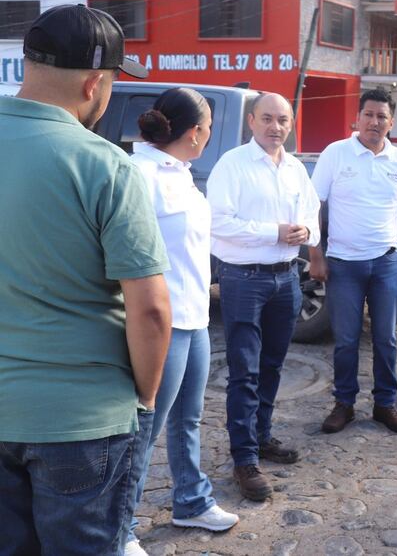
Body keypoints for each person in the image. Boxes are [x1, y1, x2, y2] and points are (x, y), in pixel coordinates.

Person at [0, 4, 172, 555]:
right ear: (95, 83)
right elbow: (149, 309)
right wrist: (144, 396)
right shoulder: (105, 165)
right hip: (83, 418)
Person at [125, 89, 240, 554]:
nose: (210, 133)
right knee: (144, 430)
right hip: (161, 323)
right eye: (209, 124)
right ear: (195, 133)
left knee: (189, 419)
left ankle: (191, 502)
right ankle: (122, 526)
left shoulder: (183, 175)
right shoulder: (140, 174)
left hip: (194, 318)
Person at [207, 93, 320, 501]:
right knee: (245, 369)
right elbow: (218, 222)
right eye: (268, 119)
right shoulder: (232, 165)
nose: (276, 127)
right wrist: (272, 232)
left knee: (273, 365)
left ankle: (263, 437)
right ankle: (244, 459)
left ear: (291, 124)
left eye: (283, 120)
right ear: (251, 121)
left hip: (287, 279)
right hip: (244, 279)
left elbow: (312, 217)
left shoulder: (294, 169)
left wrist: (307, 232)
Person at [310, 88, 397, 435]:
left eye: (382, 116)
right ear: (357, 118)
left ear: (391, 122)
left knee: (386, 338)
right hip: (343, 263)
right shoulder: (335, 154)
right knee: (345, 339)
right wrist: (317, 256)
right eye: (368, 114)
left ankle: (384, 404)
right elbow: (315, 206)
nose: (374, 122)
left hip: (387, 262)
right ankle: (344, 403)